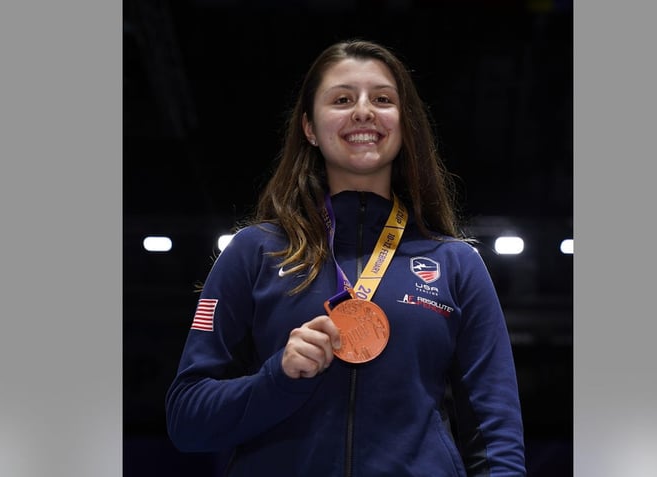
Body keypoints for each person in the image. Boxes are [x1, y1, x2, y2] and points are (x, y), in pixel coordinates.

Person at [166, 39, 526, 476]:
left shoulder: (455, 264)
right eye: (341, 99)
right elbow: (187, 421)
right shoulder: (254, 252)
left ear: (404, 124)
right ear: (310, 128)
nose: (363, 111)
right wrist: (277, 378)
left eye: (382, 99)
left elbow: (496, 436)